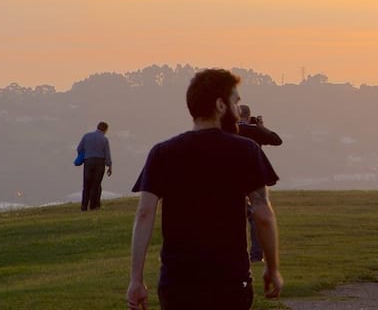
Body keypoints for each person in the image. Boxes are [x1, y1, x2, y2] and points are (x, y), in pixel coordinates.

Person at [126, 69, 282, 310]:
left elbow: (144, 214)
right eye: (235, 102)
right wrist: (272, 268)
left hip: (177, 282)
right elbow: (262, 213)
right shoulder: (246, 151)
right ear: (220, 105)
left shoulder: (162, 153)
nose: (238, 110)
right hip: (230, 280)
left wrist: (136, 279)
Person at [230, 104, 283, 264]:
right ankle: (256, 255)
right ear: (248, 116)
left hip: (232, 178)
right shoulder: (255, 131)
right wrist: (261, 127)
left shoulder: (229, 131)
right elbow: (276, 140)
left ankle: (235, 253)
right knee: (256, 217)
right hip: (254, 179)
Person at [76, 122, 114, 212]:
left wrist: (84, 156)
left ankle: (84, 206)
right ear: (105, 130)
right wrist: (109, 166)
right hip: (99, 162)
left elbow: (79, 148)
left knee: (86, 185)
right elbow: (107, 154)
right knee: (95, 185)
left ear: (97, 127)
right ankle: (93, 206)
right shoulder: (104, 139)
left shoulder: (86, 136)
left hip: (88, 162)